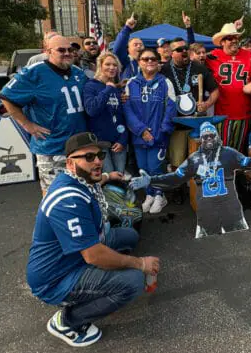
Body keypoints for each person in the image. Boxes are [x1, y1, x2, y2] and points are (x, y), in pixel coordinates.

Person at [27, 132, 159, 347]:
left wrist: (110, 176)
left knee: (129, 236)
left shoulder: (82, 177)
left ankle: (108, 274)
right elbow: (93, 255)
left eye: (99, 155)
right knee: (134, 281)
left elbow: (98, 179)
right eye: (89, 157)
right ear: (70, 163)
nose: (97, 161)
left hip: (75, 255)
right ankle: (68, 321)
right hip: (57, 277)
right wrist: (140, 264)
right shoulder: (68, 200)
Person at [129, 122, 251, 238]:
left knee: (239, 239)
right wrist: (151, 181)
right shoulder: (194, 159)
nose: (209, 139)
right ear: (201, 140)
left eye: (212, 135)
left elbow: (249, 162)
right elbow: (175, 178)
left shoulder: (229, 153)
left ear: (218, 137)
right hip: (207, 210)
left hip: (231, 208)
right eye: (205, 136)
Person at [0, 35, 88, 194]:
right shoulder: (34, 72)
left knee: (79, 191)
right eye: (61, 50)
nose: (67, 53)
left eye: (70, 50)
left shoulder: (78, 72)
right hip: (52, 147)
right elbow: (6, 97)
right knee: (53, 193)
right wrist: (27, 125)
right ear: (48, 52)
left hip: (78, 145)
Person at [124, 48, 178, 214]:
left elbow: (171, 109)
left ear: (158, 62)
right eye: (145, 59)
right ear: (139, 62)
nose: (149, 62)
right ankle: (149, 194)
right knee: (143, 168)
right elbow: (127, 110)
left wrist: (160, 132)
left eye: (153, 59)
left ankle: (160, 195)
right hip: (139, 136)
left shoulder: (165, 82)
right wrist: (141, 131)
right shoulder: (131, 83)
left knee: (155, 167)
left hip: (158, 136)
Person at [161, 36, 219, 170]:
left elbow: (215, 91)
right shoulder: (164, 70)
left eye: (186, 48)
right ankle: (178, 189)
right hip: (176, 124)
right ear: (171, 53)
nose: (184, 51)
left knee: (199, 162)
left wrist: (206, 104)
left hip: (197, 123)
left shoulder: (199, 68)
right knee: (177, 162)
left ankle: (195, 189)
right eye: (179, 49)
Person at [207, 21, 251, 152]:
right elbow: (195, 54)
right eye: (230, 38)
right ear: (222, 42)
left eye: (236, 38)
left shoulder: (248, 54)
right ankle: (222, 172)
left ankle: (235, 172)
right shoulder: (213, 56)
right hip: (222, 112)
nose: (234, 41)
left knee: (238, 150)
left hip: (244, 110)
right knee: (221, 148)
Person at [82, 52, 128, 174]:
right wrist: (108, 90)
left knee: (120, 177)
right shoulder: (90, 86)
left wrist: (123, 139)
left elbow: (121, 117)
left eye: (115, 65)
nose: (112, 68)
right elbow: (92, 110)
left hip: (118, 142)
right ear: (100, 66)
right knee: (108, 179)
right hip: (100, 143)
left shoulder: (117, 89)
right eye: (107, 64)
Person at [112, 13, 143, 79]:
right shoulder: (125, 61)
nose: (139, 46)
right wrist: (127, 28)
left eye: (141, 44)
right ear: (128, 49)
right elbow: (118, 49)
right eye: (135, 44)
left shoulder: (148, 62)